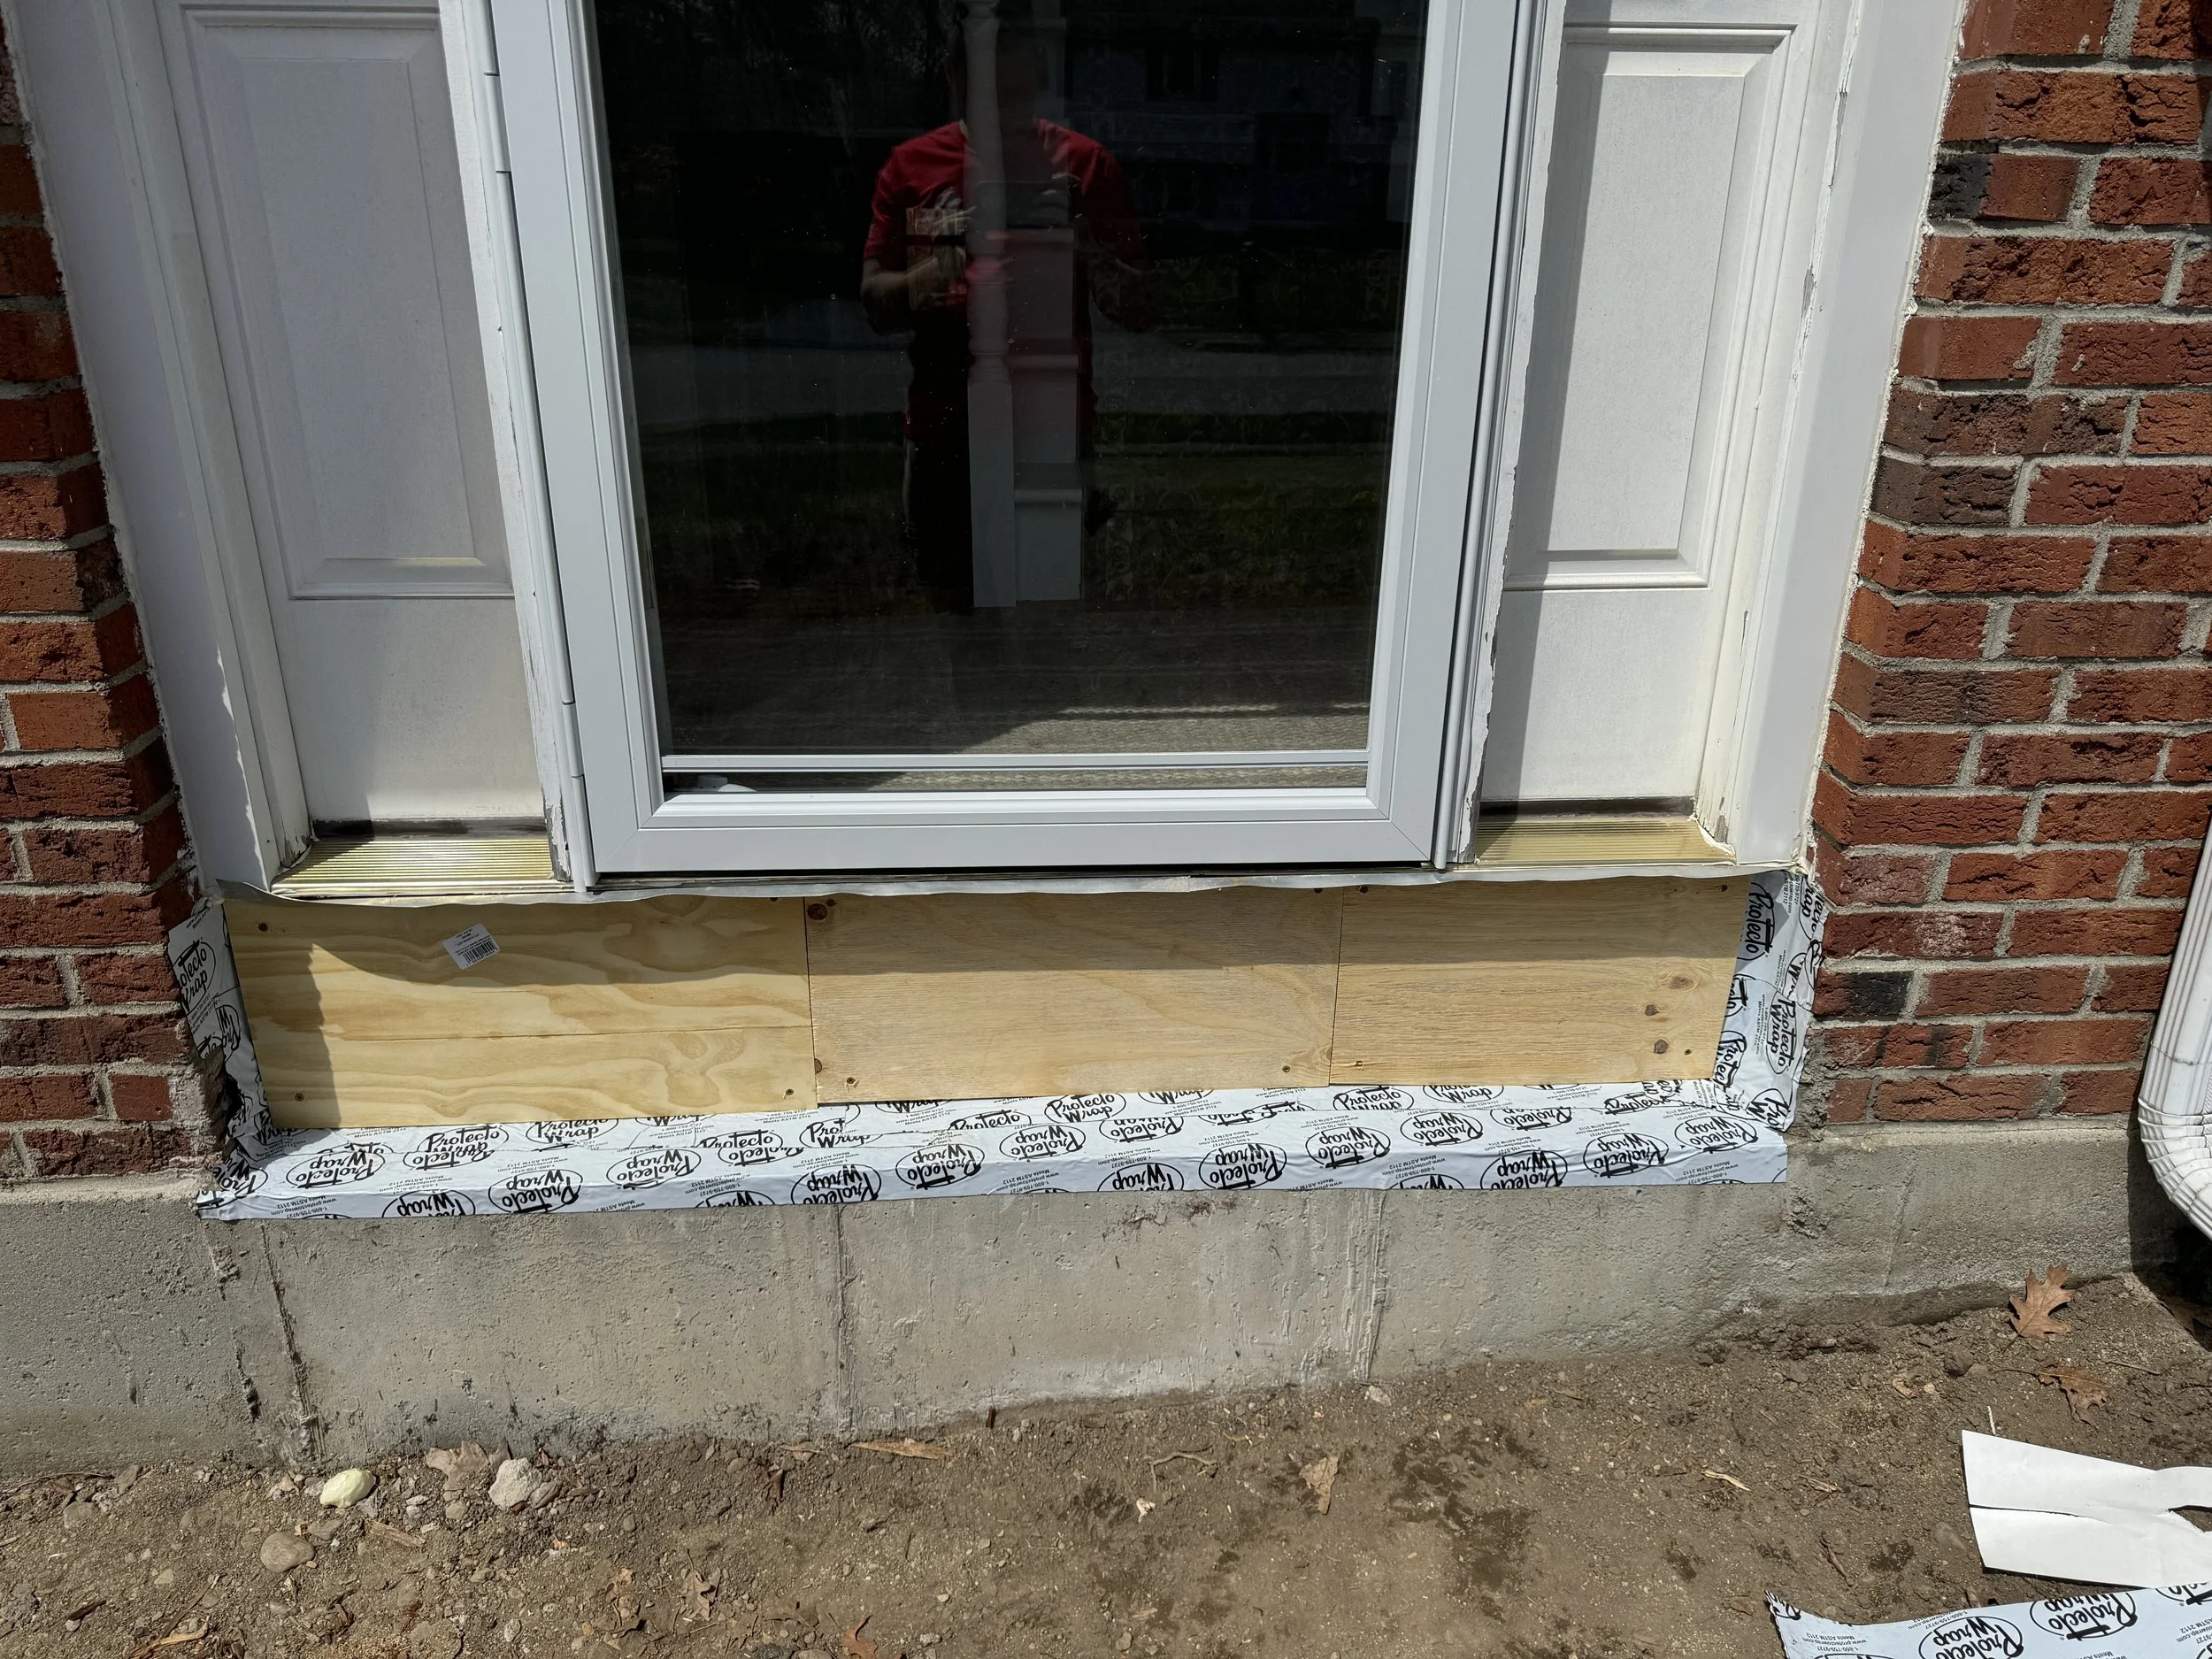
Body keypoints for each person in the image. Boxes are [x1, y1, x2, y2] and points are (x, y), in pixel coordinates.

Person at [861, 14, 1147, 611]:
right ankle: (979, 705)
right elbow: (876, 307)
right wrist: (945, 259)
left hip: (1048, 423)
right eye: (986, 92)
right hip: (944, 424)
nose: (1000, 111)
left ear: (1040, 87)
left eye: (1015, 94)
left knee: (1050, 606)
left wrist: (1082, 240)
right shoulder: (912, 168)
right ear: (954, 77)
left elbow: (1140, 309)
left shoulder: (1084, 167)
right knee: (951, 605)